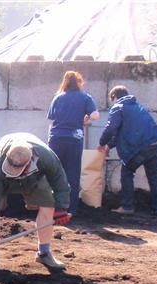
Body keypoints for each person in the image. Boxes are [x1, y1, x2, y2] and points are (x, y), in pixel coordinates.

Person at [0, 132, 72, 272]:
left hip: (35, 176)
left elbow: (60, 182)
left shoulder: (46, 157)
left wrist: (61, 207)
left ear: (28, 164)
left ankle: (44, 253)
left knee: (48, 205)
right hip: (0, 176)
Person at [97, 85, 157, 217]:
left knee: (127, 171)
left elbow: (111, 129)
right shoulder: (137, 107)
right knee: (153, 176)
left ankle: (127, 206)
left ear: (114, 97)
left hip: (141, 146)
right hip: (155, 143)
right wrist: (109, 146)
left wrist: (101, 144)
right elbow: (120, 133)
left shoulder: (118, 107)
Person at [47, 70, 100, 216]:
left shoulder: (57, 98)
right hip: (74, 139)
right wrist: (87, 118)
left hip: (56, 138)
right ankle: (71, 209)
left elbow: (52, 122)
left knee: (55, 172)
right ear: (79, 82)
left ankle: (53, 208)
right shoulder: (85, 97)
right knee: (72, 173)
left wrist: (49, 140)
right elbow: (95, 116)